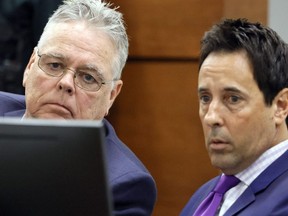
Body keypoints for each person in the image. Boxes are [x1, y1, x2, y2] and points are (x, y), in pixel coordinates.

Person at [0, 0, 157, 215]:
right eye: (54, 65)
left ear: (111, 96)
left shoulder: (122, 186)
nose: (66, 83)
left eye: (88, 78)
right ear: (29, 67)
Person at [181, 18, 288, 216]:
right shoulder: (202, 197)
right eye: (205, 98)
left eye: (233, 99)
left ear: (280, 106)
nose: (211, 117)